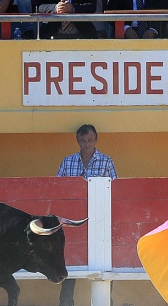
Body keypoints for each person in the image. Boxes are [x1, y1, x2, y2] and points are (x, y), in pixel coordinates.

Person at [56, 124, 117, 306]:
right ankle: (65, 302)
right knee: (70, 259)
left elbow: (116, 191)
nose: (87, 144)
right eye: (83, 141)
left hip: (100, 219)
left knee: (104, 261)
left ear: (95, 140)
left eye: (90, 140)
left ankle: (107, 301)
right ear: (78, 141)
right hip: (72, 220)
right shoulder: (67, 162)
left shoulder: (106, 162)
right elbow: (58, 189)